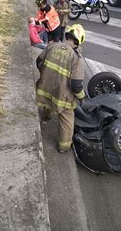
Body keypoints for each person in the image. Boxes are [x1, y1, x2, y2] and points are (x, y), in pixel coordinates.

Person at [36, 24, 86, 153]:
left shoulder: (52, 46)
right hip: (62, 95)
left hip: (44, 87)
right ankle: (63, 146)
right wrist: (81, 97)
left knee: (48, 101)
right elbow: (76, 84)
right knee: (67, 118)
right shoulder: (76, 58)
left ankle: (47, 116)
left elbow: (38, 61)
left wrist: (46, 75)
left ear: (67, 35)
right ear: (78, 41)